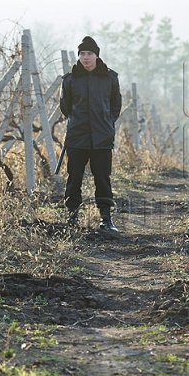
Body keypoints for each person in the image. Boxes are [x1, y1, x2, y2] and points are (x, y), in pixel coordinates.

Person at [60, 36, 122, 232]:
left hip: (102, 138)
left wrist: (106, 124)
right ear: (79, 56)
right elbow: (65, 107)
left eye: (89, 54)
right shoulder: (69, 80)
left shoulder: (110, 78)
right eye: (82, 54)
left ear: (97, 55)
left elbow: (115, 105)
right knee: (74, 177)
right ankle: (72, 217)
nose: (85, 58)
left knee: (102, 178)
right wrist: (78, 122)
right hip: (76, 137)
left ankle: (106, 219)